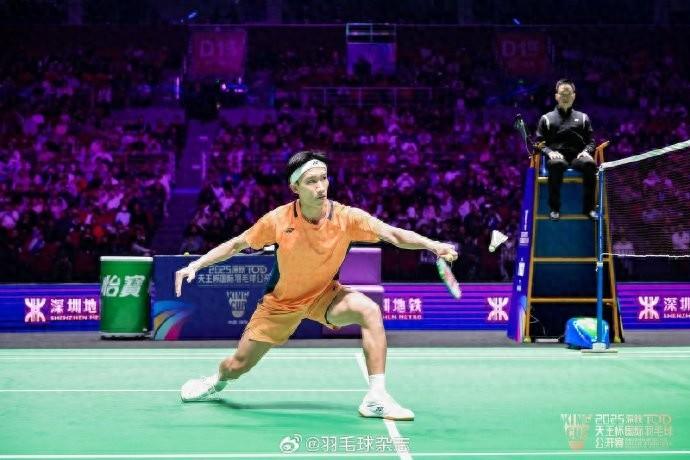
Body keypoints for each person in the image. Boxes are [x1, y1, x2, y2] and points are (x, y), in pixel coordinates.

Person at [175, 150, 458, 421]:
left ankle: (376, 397)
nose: (321, 187)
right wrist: (195, 265)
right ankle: (216, 381)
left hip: (323, 295)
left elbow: (392, 234)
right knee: (237, 365)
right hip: (280, 304)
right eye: (311, 181)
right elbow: (237, 244)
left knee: (369, 310)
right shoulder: (278, 220)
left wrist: (433, 245)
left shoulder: (347, 218)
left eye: (324, 178)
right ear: (295, 187)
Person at [536, 79, 597, 220]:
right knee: (556, 165)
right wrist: (550, 152)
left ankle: (589, 209)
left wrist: (586, 151)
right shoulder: (546, 118)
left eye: (568, 94)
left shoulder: (583, 117)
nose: (565, 97)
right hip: (557, 156)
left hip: (578, 156)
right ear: (556, 96)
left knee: (590, 164)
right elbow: (539, 143)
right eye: (562, 94)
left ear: (574, 96)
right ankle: (554, 209)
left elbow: (591, 142)